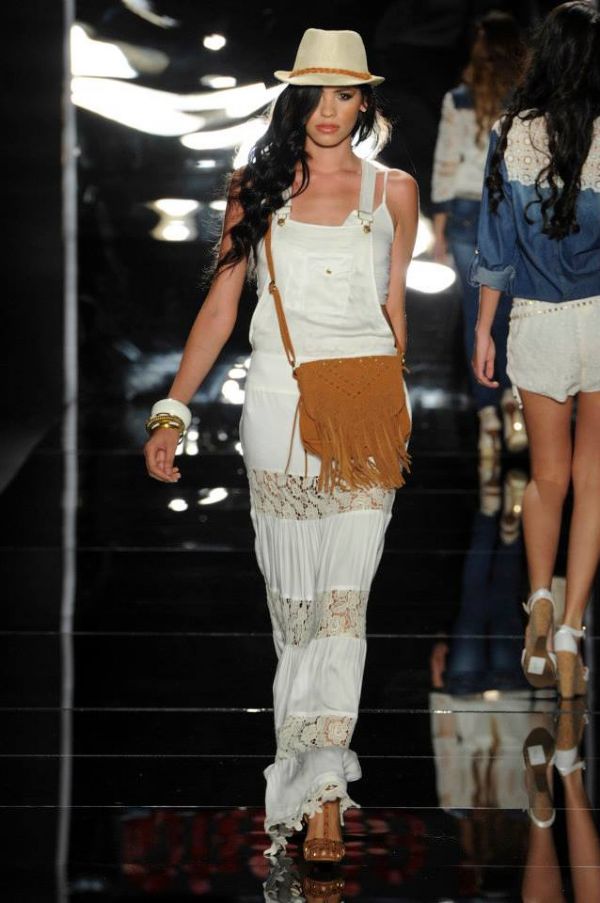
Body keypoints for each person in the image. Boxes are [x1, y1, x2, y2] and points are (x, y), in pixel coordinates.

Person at [143, 29, 418, 859]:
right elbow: (222, 306)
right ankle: (297, 770)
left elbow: (394, 308)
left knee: (343, 607)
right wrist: (172, 408)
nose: (329, 110)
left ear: (364, 101)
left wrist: (396, 406)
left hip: (367, 413)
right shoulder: (256, 187)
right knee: (295, 612)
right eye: (315, 94)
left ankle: (326, 790)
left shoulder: (395, 191)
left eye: (345, 94)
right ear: (296, 100)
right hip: (278, 405)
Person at [471, 1, 600, 699]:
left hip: (539, 320)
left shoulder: (511, 131)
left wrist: (483, 329)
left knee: (547, 477)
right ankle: (574, 626)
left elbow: (496, 245)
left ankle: (540, 602)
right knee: (594, 479)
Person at [432, 11, 527, 457]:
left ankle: (487, 413)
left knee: (478, 315)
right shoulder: (526, 101)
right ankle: (512, 398)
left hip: (468, 210)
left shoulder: (459, 99)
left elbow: (446, 163)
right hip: (514, 208)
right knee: (514, 312)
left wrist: (439, 228)